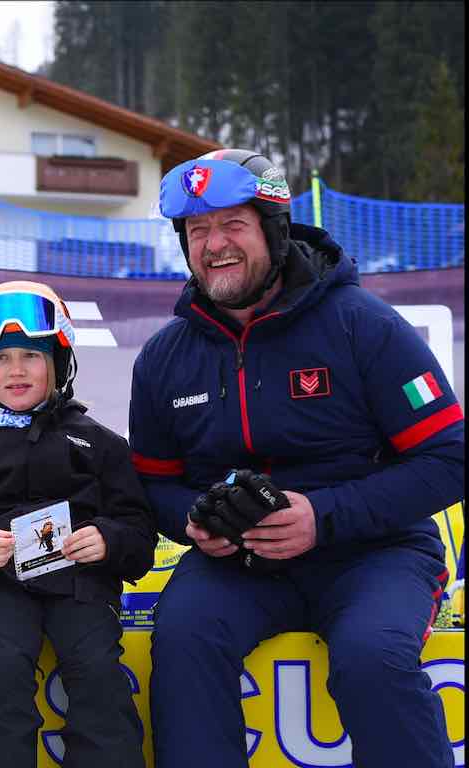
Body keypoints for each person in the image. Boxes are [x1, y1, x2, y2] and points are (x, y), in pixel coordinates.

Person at [130, 149, 463, 767]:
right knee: (180, 640)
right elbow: (153, 486)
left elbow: (449, 458)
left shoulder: (363, 325)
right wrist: (195, 524)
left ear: (274, 230)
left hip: (373, 552)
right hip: (240, 563)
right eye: (197, 231)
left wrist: (324, 515)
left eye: (233, 225)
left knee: (371, 657)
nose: (214, 245)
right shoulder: (164, 357)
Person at [0, 281, 156, 768]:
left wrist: (107, 541)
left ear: (59, 363)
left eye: (31, 355)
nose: (16, 369)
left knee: (98, 671)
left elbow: (139, 531)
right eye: (0, 358)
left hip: (79, 588)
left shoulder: (99, 442)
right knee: (3, 668)